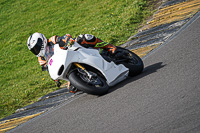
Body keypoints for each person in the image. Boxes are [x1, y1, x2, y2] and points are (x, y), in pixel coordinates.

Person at [27, 32, 117, 93]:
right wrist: (55, 78)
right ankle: (89, 82)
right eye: (34, 49)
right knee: (71, 89)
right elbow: (49, 69)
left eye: (37, 46)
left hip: (74, 52)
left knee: (83, 38)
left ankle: (109, 46)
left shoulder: (52, 40)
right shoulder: (41, 59)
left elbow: (63, 38)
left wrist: (67, 40)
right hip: (66, 66)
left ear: (42, 40)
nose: (37, 49)